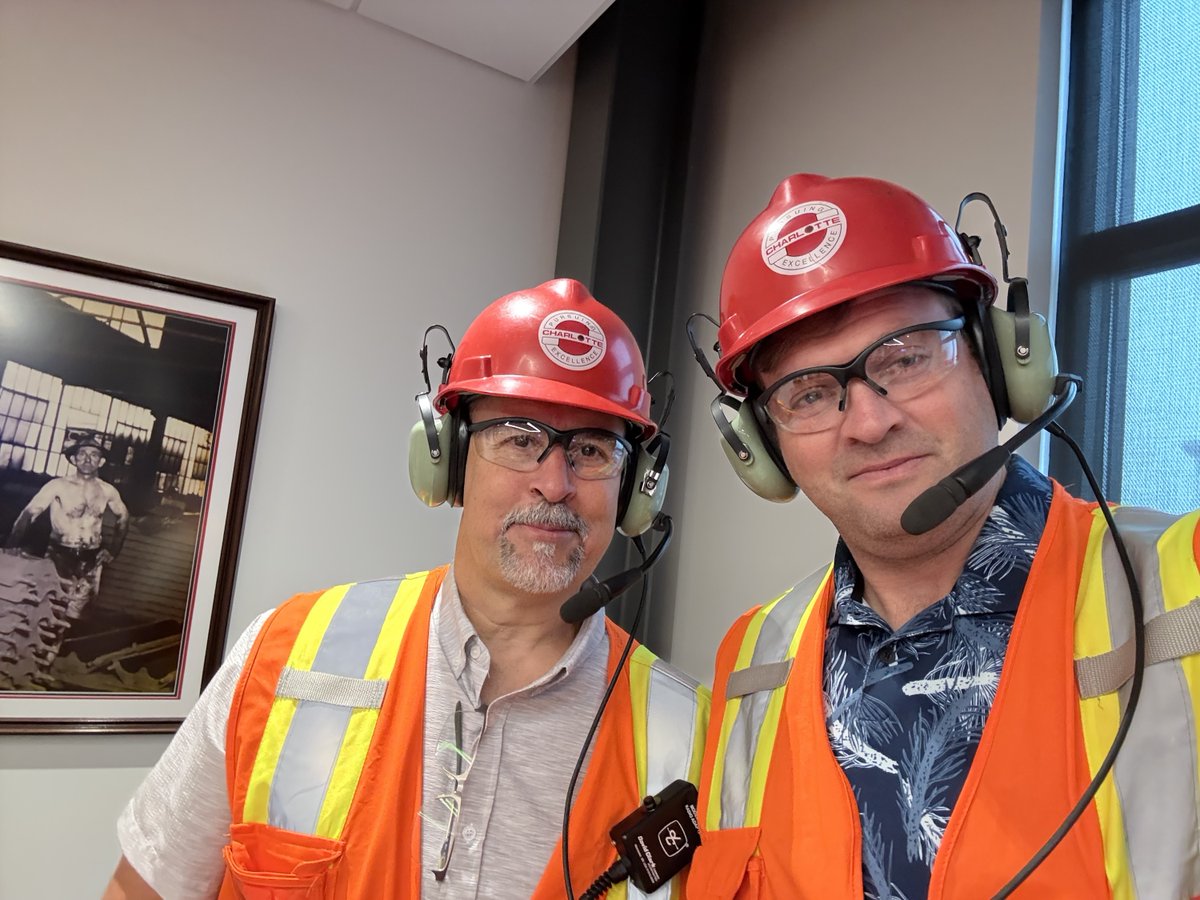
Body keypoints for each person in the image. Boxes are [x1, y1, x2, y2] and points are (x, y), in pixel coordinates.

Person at [102, 278, 709, 900]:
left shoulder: (689, 734)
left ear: (636, 490)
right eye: (520, 439)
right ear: (447, 460)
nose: (555, 484)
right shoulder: (284, 657)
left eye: (592, 449)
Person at [686, 174, 1200, 898]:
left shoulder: (1183, 584)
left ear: (999, 359)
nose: (870, 423)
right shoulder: (751, 658)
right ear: (762, 446)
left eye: (905, 358)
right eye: (809, 394)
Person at [4, 435, 130, 619]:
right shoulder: (57, 486)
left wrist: (113, 550)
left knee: (77, 614)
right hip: (59, 555)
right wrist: (11, 544)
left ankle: (66, 636)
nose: (88, 459)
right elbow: (29, 513)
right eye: (82, 454)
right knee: (49, 607)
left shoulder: (107, 491)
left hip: (90, 559)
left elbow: (124, 517)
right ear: (73, 459)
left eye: (94, 455)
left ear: (101, 462)